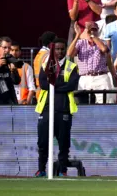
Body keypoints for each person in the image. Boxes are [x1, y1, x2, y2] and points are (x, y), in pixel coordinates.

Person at [34, 38, 79, 177]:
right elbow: (43, 84)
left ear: (66, 50)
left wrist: (54, 85)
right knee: (43, 142)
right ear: (53, 50)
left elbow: (71, 85)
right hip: (46, 109)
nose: (59, 52)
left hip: (64, 109)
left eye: (62, 49)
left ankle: (62, 170)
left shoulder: (71, 66)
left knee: (63, 143)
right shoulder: (46, 65)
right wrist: (59, 85)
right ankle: (41, 170)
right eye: (57, 49)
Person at [68, 21, 114, 104]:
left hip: (101, 76)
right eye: (90, 30)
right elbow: (69, 54)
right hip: (85, 77)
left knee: (105, 102)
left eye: (94, 29)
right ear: (86, 31)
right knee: (83, 104)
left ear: (98, 31)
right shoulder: (81, 43)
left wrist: (93, 36)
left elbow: (104, 49)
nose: (92, 31)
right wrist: (77, 35)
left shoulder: (102, 42)